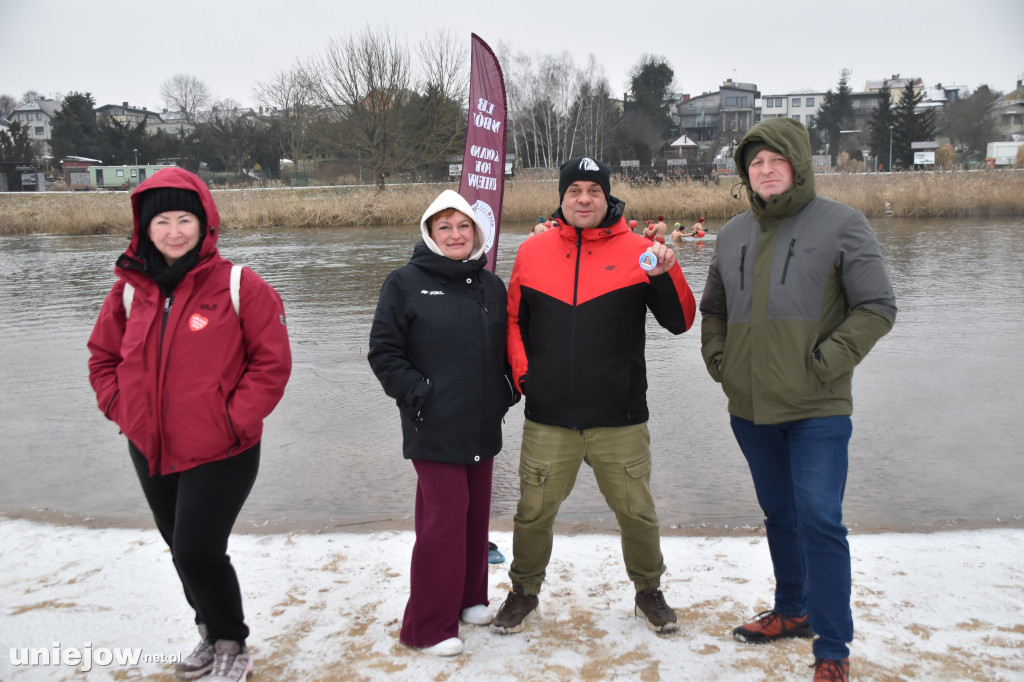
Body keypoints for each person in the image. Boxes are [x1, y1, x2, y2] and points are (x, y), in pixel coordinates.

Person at [699, 118, 896, 682]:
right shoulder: (733, 233)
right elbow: (714, 309)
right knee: (779, 513)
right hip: (751, 409)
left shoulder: (842, 224)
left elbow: (877, 306)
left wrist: (823, 364)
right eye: (755, 163)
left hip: (817, 409)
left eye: (775, 161)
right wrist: (720, 362)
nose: (764, 170)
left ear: (799, 165)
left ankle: (832, 649)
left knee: (819, 519)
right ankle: (793, 610)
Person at [87, 167, 292, 682]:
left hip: (223, 447)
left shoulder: (241, 285)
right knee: (179, 546)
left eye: (185, 219)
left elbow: (271, 365)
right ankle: (209, 628)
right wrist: (122, 408)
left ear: (205, 224)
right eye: (162, 221)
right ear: (144, 228)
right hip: (150, 444)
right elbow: (102, 358)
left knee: (198, 548)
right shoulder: (130, 291)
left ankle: (232, 641)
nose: (174, 231)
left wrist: (231, 419)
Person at [494, 156, 696, 635]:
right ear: (561, 199)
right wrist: (527, 379)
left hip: (620, 416)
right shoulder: (533, 252)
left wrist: (667, 273)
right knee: (533, 513)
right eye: (574, 191)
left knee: (637, 513)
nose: (584, 199)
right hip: (549, 417)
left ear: (608, 198)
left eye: (594, 191)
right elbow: (512, 323)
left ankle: (649, 590)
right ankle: (524, 591)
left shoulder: (643, 251)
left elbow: (681, 321)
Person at [368, 190, 519, 657]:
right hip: (432, 422)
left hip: (481, 422)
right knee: (445, 519)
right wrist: (418, 394)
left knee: (474, 513)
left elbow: (506, 347)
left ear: (476, 233)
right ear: (430, 234)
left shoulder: (491, 285)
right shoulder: (405, 282)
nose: (456, 235)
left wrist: (507, 390)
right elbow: (384, 352)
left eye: (463, 226)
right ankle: (427, 627)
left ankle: (471, 598)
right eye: (445, 227)